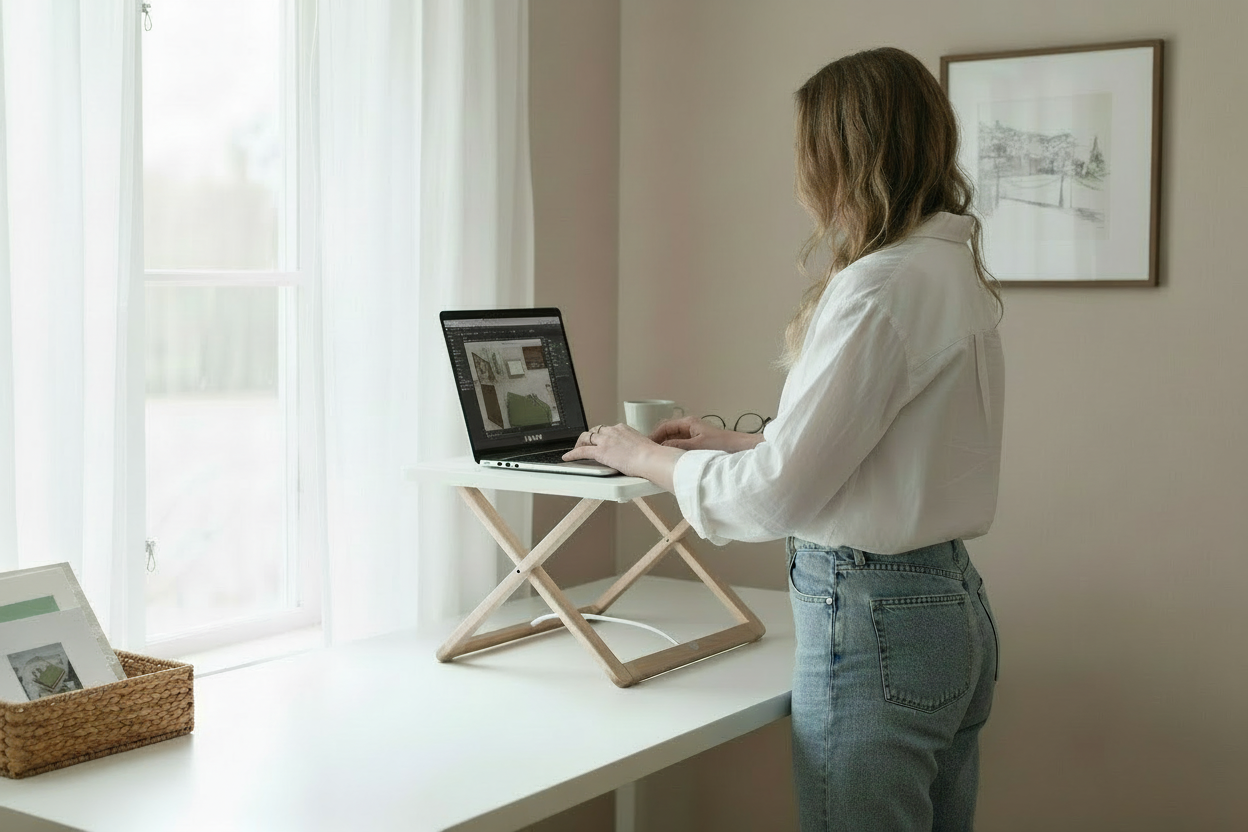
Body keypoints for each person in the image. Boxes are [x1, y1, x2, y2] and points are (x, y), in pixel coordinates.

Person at [564, 46, 1003, 832]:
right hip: (948, 607)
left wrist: (643, 456)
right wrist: (721, 445)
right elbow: (882, 451)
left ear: (842, 156)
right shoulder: (949, 270)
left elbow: (774, 499)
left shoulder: (879, 286)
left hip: (874, 617)